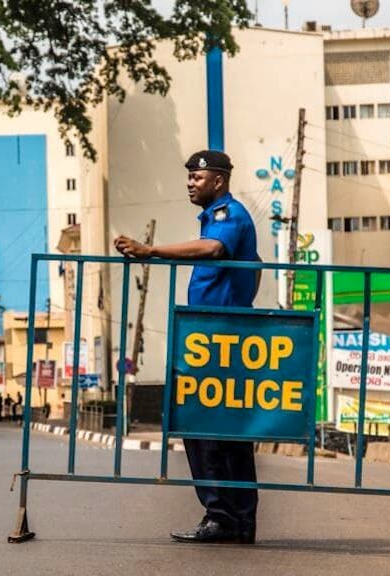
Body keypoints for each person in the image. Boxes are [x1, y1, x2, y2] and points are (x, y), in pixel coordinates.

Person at [114, 149, 260, 546]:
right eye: (189, 178)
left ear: (218, 180)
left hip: (219, 338)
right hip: (215, 335)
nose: (190, 183)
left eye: (197, 178)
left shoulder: (228, 216)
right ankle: (236, 520)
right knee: (224, 431)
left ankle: (223, 517)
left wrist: (151, 250)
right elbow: (255, 267)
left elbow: (213, 250)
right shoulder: (219, 219)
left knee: (203, 427)